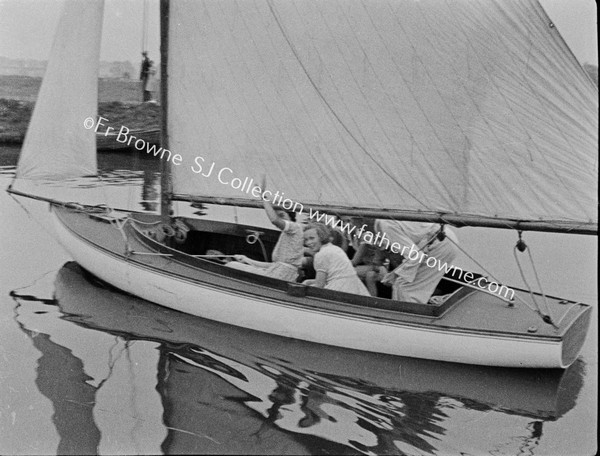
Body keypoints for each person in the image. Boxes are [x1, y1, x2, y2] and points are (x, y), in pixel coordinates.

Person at [226, 180, 304, 281]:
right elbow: (274, 266)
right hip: (276, 274)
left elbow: (274, 220)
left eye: (282, 215)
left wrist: (263, 197)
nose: (280, 219)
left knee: (231, 265)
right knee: (233, 264)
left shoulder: (295, 228)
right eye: (278, 215)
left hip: (279, 278)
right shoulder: (286, 234)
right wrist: (247, 260)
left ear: (291, 217)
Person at [374, 220, 458, 303]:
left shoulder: (386, 225)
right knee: (406, 286)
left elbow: (416, 256)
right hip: (442, 238)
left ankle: (405, 314)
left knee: (404, 287)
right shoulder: (386, 220)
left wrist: (395, 274)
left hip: (439, 243)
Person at [303, 223, 369, 296]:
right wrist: (308, 282)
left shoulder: (321, 255)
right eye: (306, 240)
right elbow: (330, 278)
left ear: (321, 237)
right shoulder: (335, 248)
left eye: (312, 238)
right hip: (354, 287)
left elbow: (319, 286)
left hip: (339, 290)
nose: (308, 242)